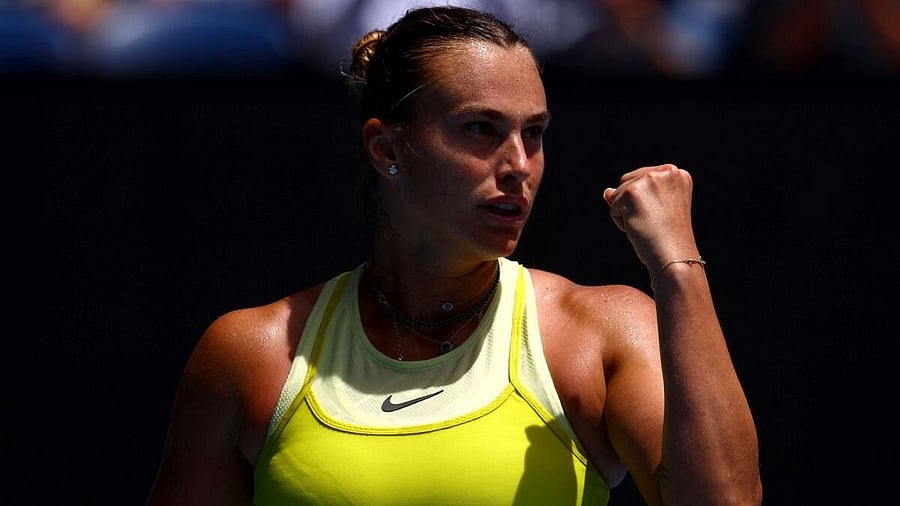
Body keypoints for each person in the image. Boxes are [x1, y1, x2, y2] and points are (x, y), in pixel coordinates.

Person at [145, 5, 762, 505]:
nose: (519, 165)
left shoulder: (602, 334)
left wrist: (677, 269)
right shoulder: (246, 355)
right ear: (386, 147)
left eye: (534, 134)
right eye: (480, 129)